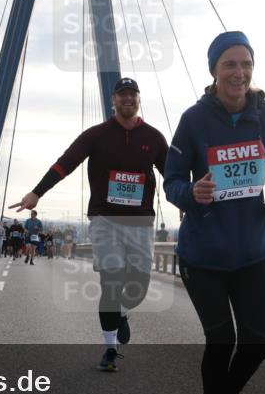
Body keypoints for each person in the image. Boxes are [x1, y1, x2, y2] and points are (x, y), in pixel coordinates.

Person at [163, 31, 265, 394]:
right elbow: (172, 180)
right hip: (203, 255)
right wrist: (191, 194)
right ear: (214, 72)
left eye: (245, 64)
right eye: (229, 65)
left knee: (257, 343)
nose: (239, 73)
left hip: (252, 251)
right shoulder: (194, 120)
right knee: (222, 340)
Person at [11, 77, 168, 371]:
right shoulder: (96, 135)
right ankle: (110, 349)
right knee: (110, 281)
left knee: (138, 288)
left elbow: (171, 174)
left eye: (132, 94)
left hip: (141, 222)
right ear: (113, 101)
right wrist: (37, 192)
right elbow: (65, 163)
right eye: (122, 95)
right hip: (104, 219)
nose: (127, 99)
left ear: (138, 99)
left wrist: (186, 202)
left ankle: (121, 313)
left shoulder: (154, 137)